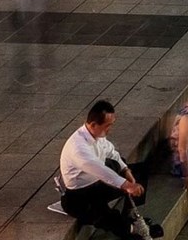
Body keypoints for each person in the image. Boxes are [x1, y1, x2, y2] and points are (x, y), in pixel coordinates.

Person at [57, 100, 164, 238]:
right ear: (93, 125)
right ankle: (132, 230)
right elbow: (101, 170)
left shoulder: (97, 135)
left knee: (138, 170)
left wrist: (126, 170)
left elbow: (112, 152)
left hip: (97, 185)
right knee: (106, 216)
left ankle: (132, 215)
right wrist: (127, 185)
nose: (110, 129)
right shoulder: (78, 148)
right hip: (80, 196)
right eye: (107, 126)